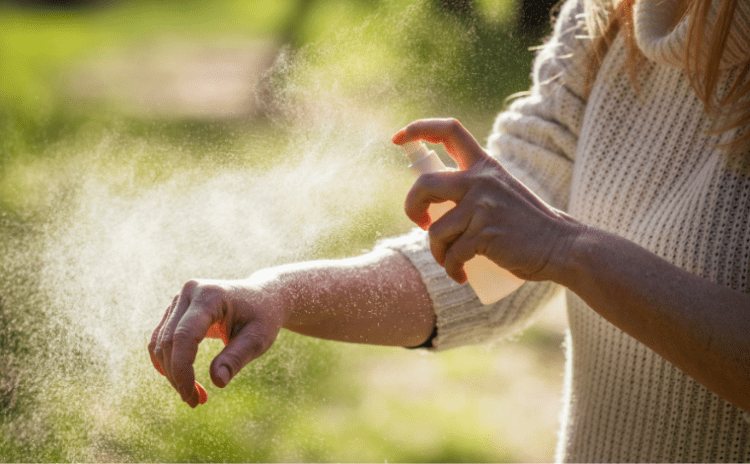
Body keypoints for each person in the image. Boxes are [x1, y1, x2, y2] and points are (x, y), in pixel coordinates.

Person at [148, 0, 750, 461]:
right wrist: (277, 294)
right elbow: (485, 269)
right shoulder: (602, 21)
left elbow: (545, 243)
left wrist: (570, 250)